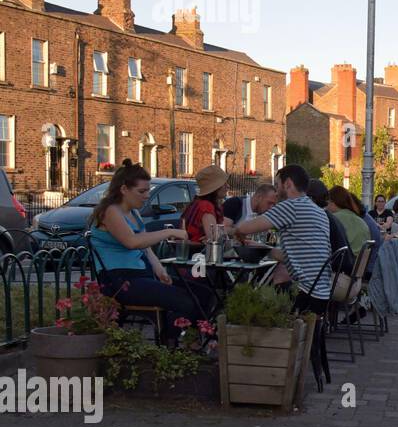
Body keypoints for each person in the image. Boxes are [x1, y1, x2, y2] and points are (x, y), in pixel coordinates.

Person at [89, 164, 217, 342]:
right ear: (124, 189)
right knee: (184, 300)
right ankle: (170, 343)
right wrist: (169, 232)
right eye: (142, 191)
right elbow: (132, 242)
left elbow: (145, 246)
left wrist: (159, 269)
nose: (147, 195)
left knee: (203, 291)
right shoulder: (111, 211)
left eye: (148, 190)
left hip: (141, 275)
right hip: (120, 281)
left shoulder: (133, 212)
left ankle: (185, 340)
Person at [235, 165, 335, 388]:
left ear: (288, 183)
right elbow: (293, 252)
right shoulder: (316, 211)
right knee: (267, 289)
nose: (275, 188)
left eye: (277, 183)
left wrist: (234, 231)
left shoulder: (291, 206)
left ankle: (255, 372)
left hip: (304, 297)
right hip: (319, 294)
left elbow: (246, 227)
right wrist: (262, 247)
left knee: (248, 303)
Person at [181, 165, 229, 244]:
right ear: (215, 188)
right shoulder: (206, 206)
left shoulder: (198, 203)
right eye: (224, 183)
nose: (228, 186)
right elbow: (215, 240)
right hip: (199, 254)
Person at [326, 186, 371, 256]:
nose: (326, 207)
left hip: (343, 263)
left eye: (327, 203)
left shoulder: (333, 219)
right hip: (357, 264)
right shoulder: (360, 221)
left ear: (332, 202)